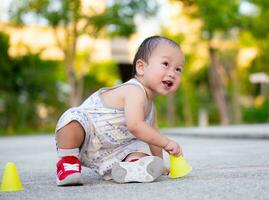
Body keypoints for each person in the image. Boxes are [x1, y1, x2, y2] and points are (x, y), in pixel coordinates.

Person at [55, 36, 184, 186]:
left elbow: (152, 136)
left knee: (138, 147)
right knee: (73, 120)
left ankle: (134, 165)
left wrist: (159, 162)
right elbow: (135, 125)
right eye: (165, 64)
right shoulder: (134, 90)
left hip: (112, 151)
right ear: (141, 67)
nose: (172, 73)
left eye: (178, 69)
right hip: (89, 132)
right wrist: (167, 143)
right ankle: (68, 162)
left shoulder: (151, 106)